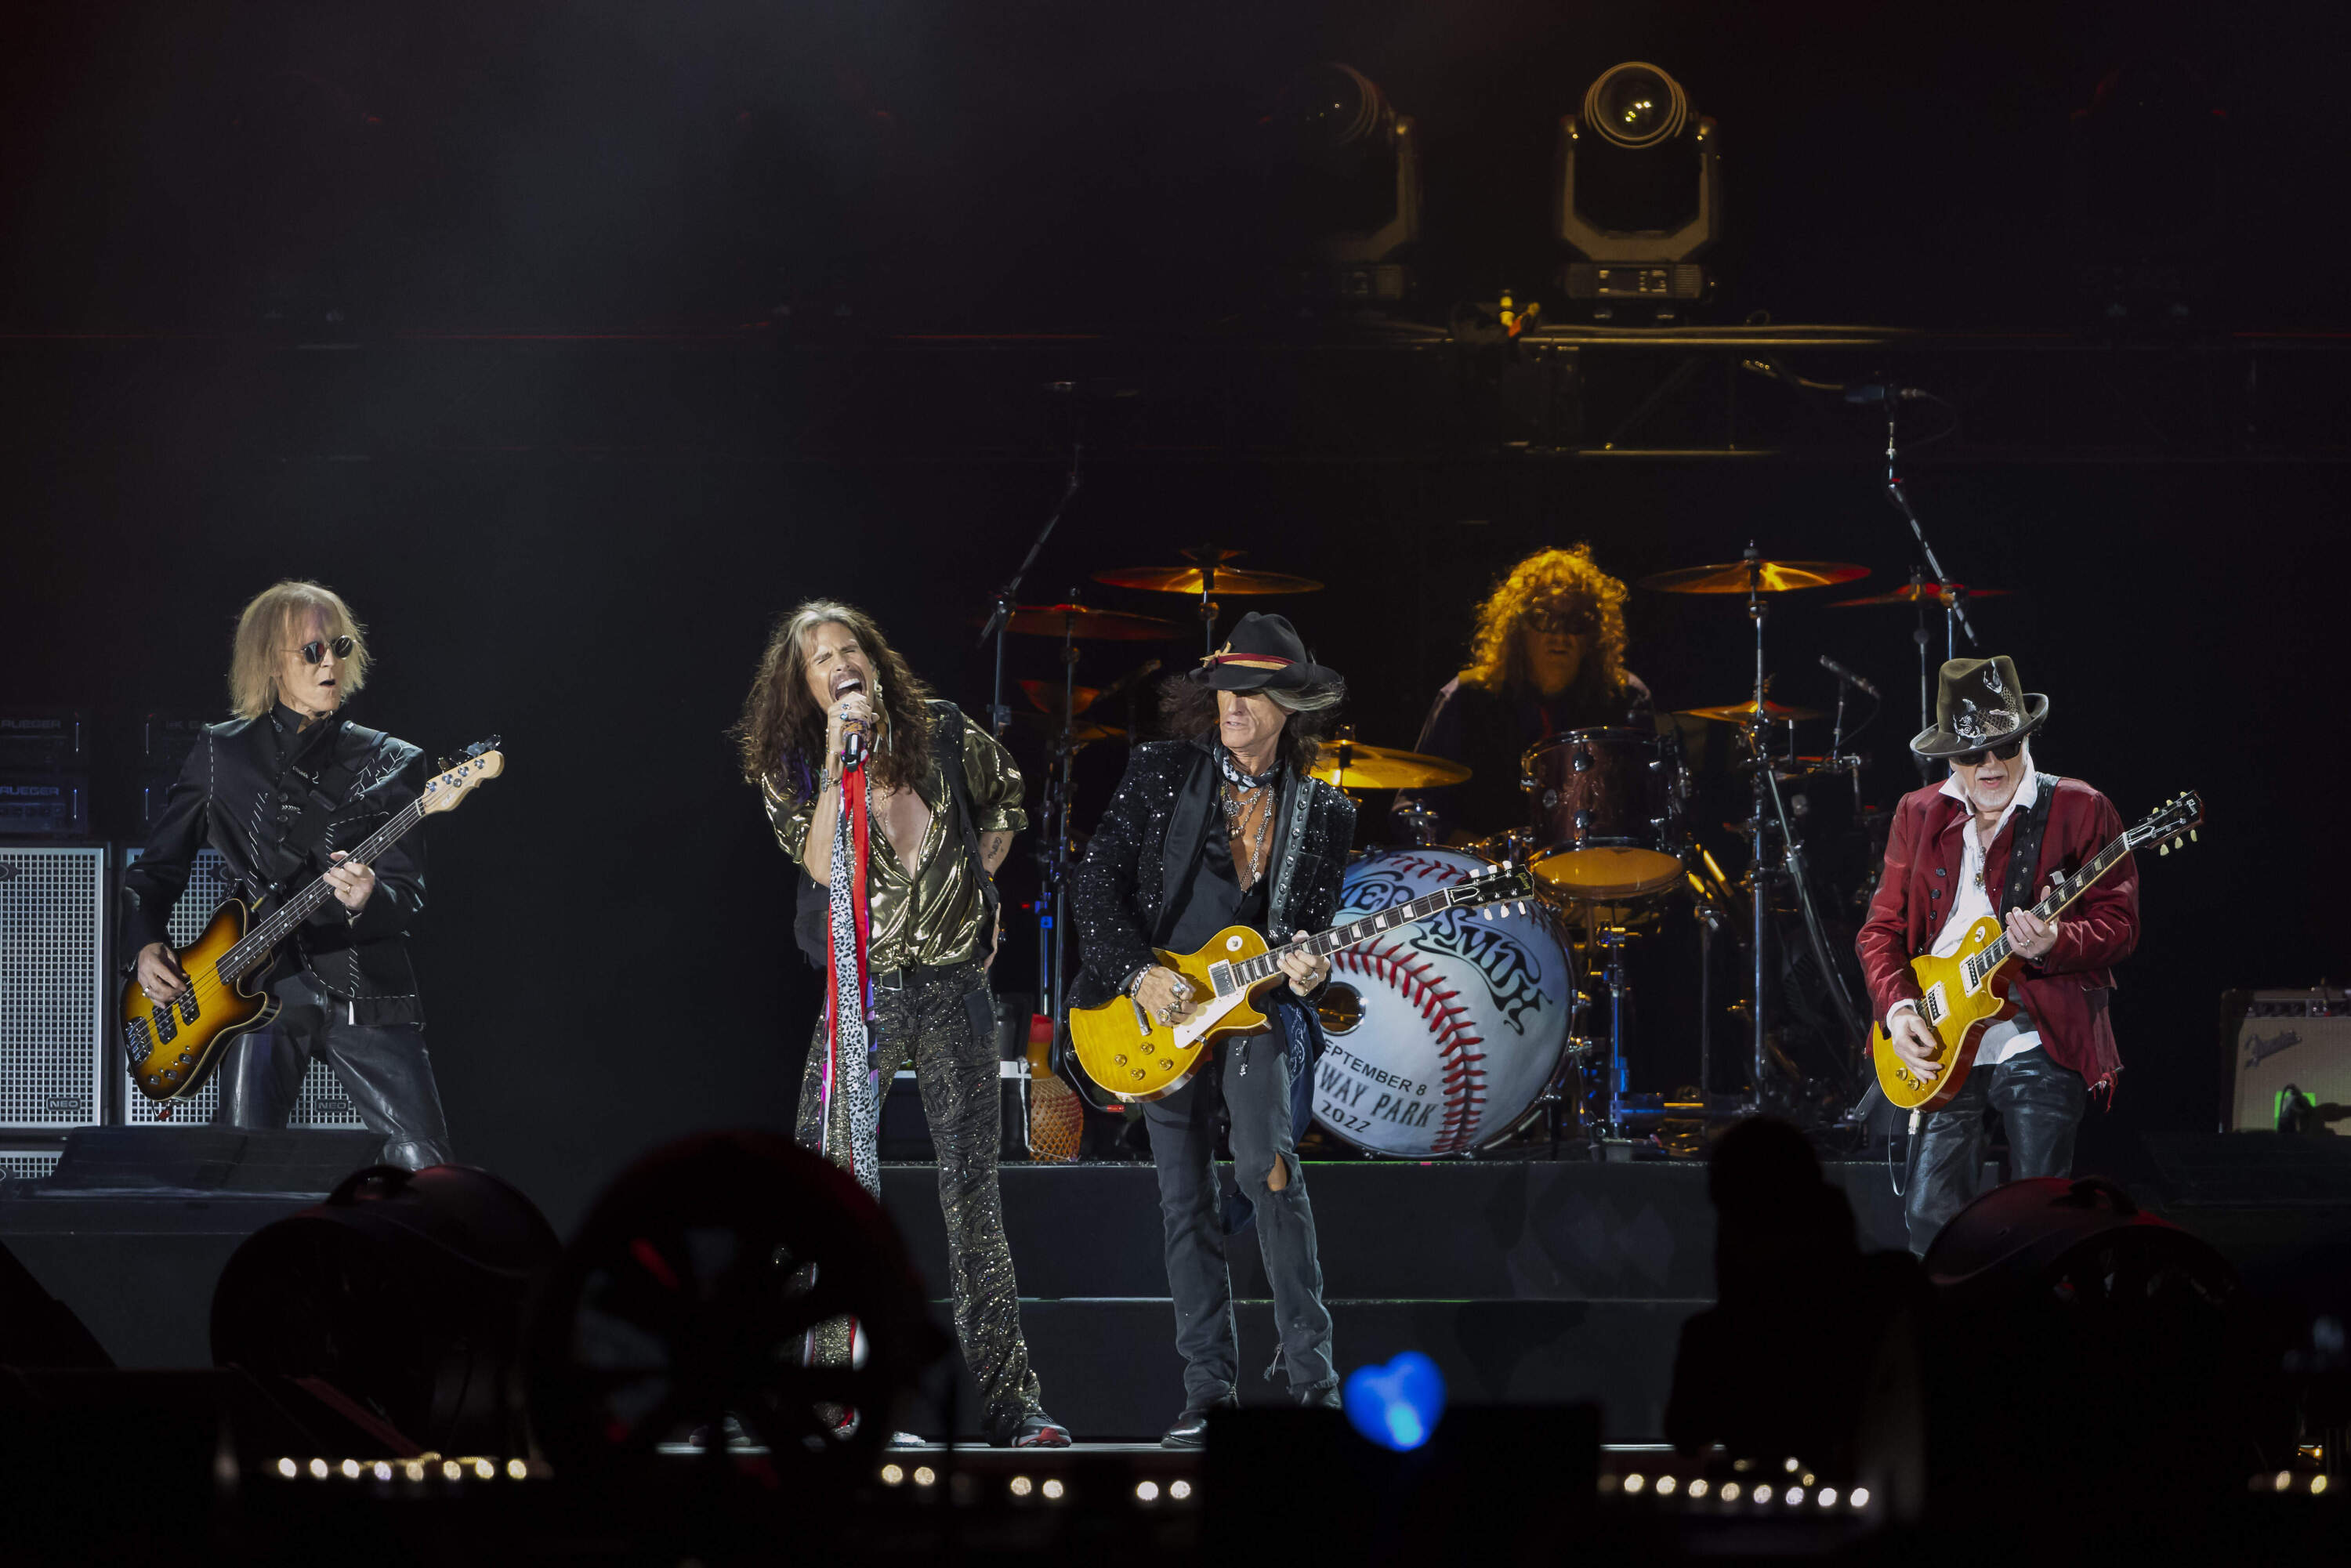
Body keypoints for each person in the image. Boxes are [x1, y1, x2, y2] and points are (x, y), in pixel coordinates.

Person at [735, 599, 1069, 1449]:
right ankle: (821, 1397)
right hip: (864, 991)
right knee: (828, 1185)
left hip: (955, 989)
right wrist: (836, 760)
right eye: (820, 659)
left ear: (875, 661)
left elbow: (1007, 800)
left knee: (973, 1197)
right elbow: (819, 862)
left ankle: (1013, 1405)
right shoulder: (790, 764)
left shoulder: (943, 730)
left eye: (849, 649)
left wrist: (979, 890)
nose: (840, 663)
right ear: (804, 686)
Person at [1067, 611, 1353, 1448]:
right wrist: (1137, 973)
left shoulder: (1325, 812)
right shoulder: (1162, 770)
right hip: (1158, 1008)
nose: (1233, 704)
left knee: (1269, 1170)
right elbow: (1095, 883)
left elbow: (1305, 938)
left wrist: (1309, 971)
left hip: (1253, 1009)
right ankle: (1207, 1397)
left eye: (1253, 690)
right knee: (1183, 1198)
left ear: (1289, 705)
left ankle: (1315, 1387)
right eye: (1226, 686)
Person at [122, 580, 452, 1169]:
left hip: (366, 988)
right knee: (243, 1164)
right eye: (311, 651)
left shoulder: (393, 761)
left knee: (426, 1165)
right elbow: (155, 871)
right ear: (270, 661)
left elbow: (408, 893)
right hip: (256, 987)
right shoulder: (221, 753)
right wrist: (145, 944)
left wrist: (369, 897)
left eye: (339, 647)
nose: (330, 663)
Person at [1857, 656, 2139, 1255]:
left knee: (2039, 1211)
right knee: (1929, 1212)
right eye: (1971, 752)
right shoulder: (1917, 812)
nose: (1990, 765)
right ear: (1949, 757)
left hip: (2039, 1029)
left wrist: (2057, 941)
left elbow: (2120, 924)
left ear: (2026, 738)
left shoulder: (2081, 807)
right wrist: (1901, 1011)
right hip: (1943, 1030)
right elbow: (1879, 931)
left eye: (2004, 746)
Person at [1397, 544, 1654, 844]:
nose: (1560, 636)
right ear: (1519, 628)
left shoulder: (1627, 698)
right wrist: (1483, 854)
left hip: (1596, 869)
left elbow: (1651, 810)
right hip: (1485, 870)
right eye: (1545, 619)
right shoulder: (1465, 697)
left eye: (1577, 622)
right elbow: (1410, 811)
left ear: (1595, 634)